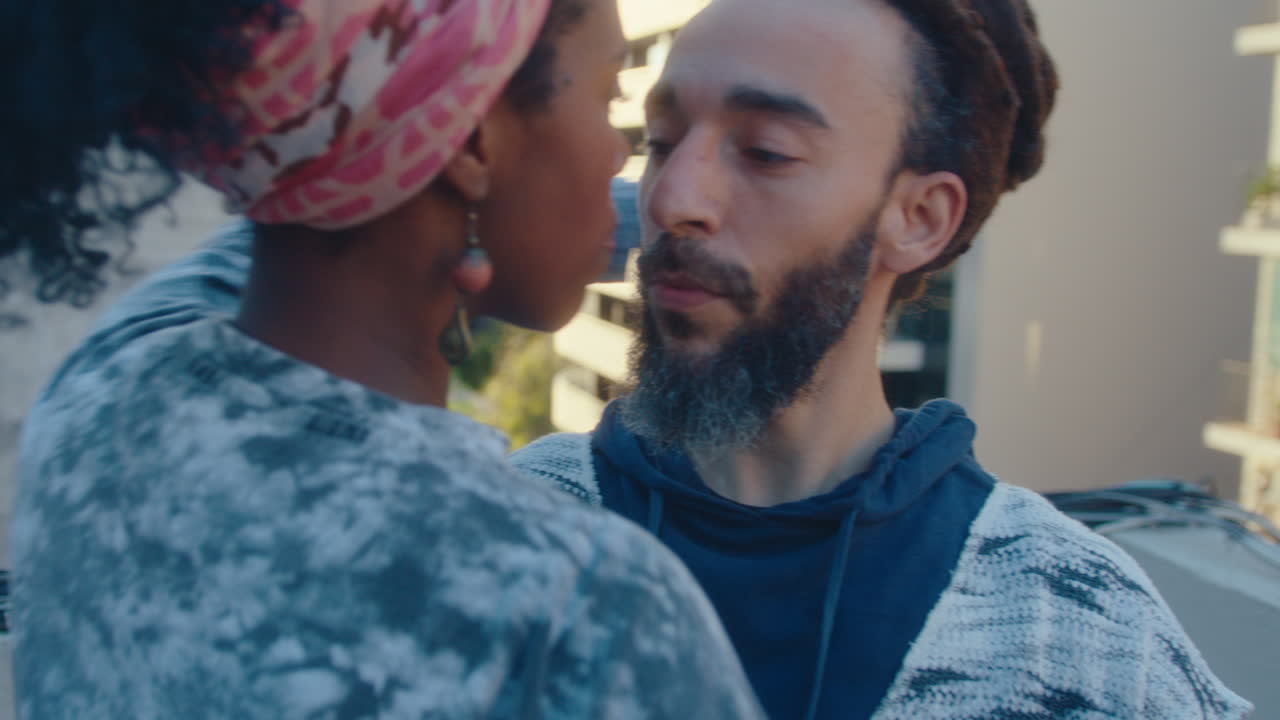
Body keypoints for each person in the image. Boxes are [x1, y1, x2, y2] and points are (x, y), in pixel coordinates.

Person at [2, 1, 765, 717]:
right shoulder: (582, 608)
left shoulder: (102, 397)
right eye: (606, 99)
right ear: (470, 141)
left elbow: (327, 171)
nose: (620, 155)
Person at [511, 0, 1255, 718]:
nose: (672, 198)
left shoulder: (1084, 636)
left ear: (919, 219)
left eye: (766, 152)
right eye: (663, 142)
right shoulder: (496, 535)